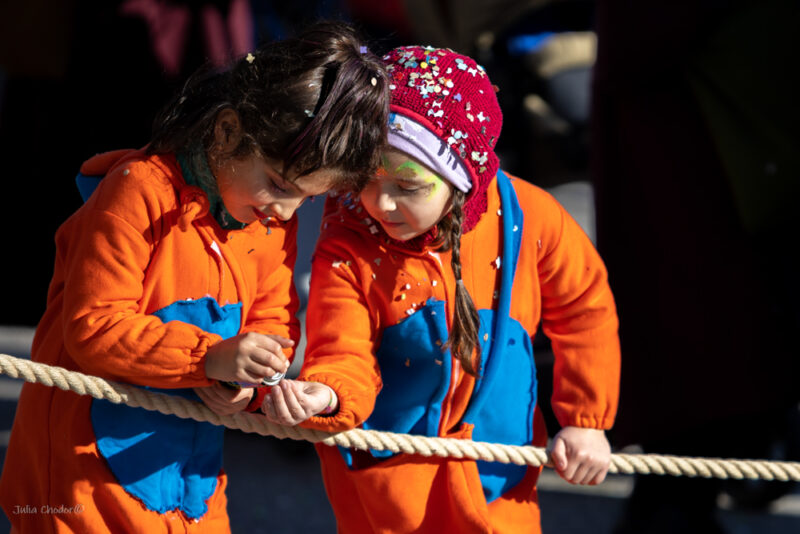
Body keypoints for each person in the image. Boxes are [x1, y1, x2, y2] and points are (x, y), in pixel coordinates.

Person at [0, 20, 389, 533]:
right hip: (80, 479)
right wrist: (210, 358)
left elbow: (272, 323)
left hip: (189, 480)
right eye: (277, 183)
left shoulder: (271, 223)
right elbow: (93, 328)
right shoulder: (136, 192)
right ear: (227, 131)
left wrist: (251, 382)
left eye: (306, 198)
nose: (287, 211)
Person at [261, 45, 621, 533]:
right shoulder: (349, 238)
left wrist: (585, 419)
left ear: (463, 175)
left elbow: (585, 311)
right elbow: (341, 345)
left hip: (500, 463)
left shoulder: (531, 218)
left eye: (408, 187)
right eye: (366, 178)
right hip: (389, 471)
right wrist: (327, 393)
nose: (380, 203)